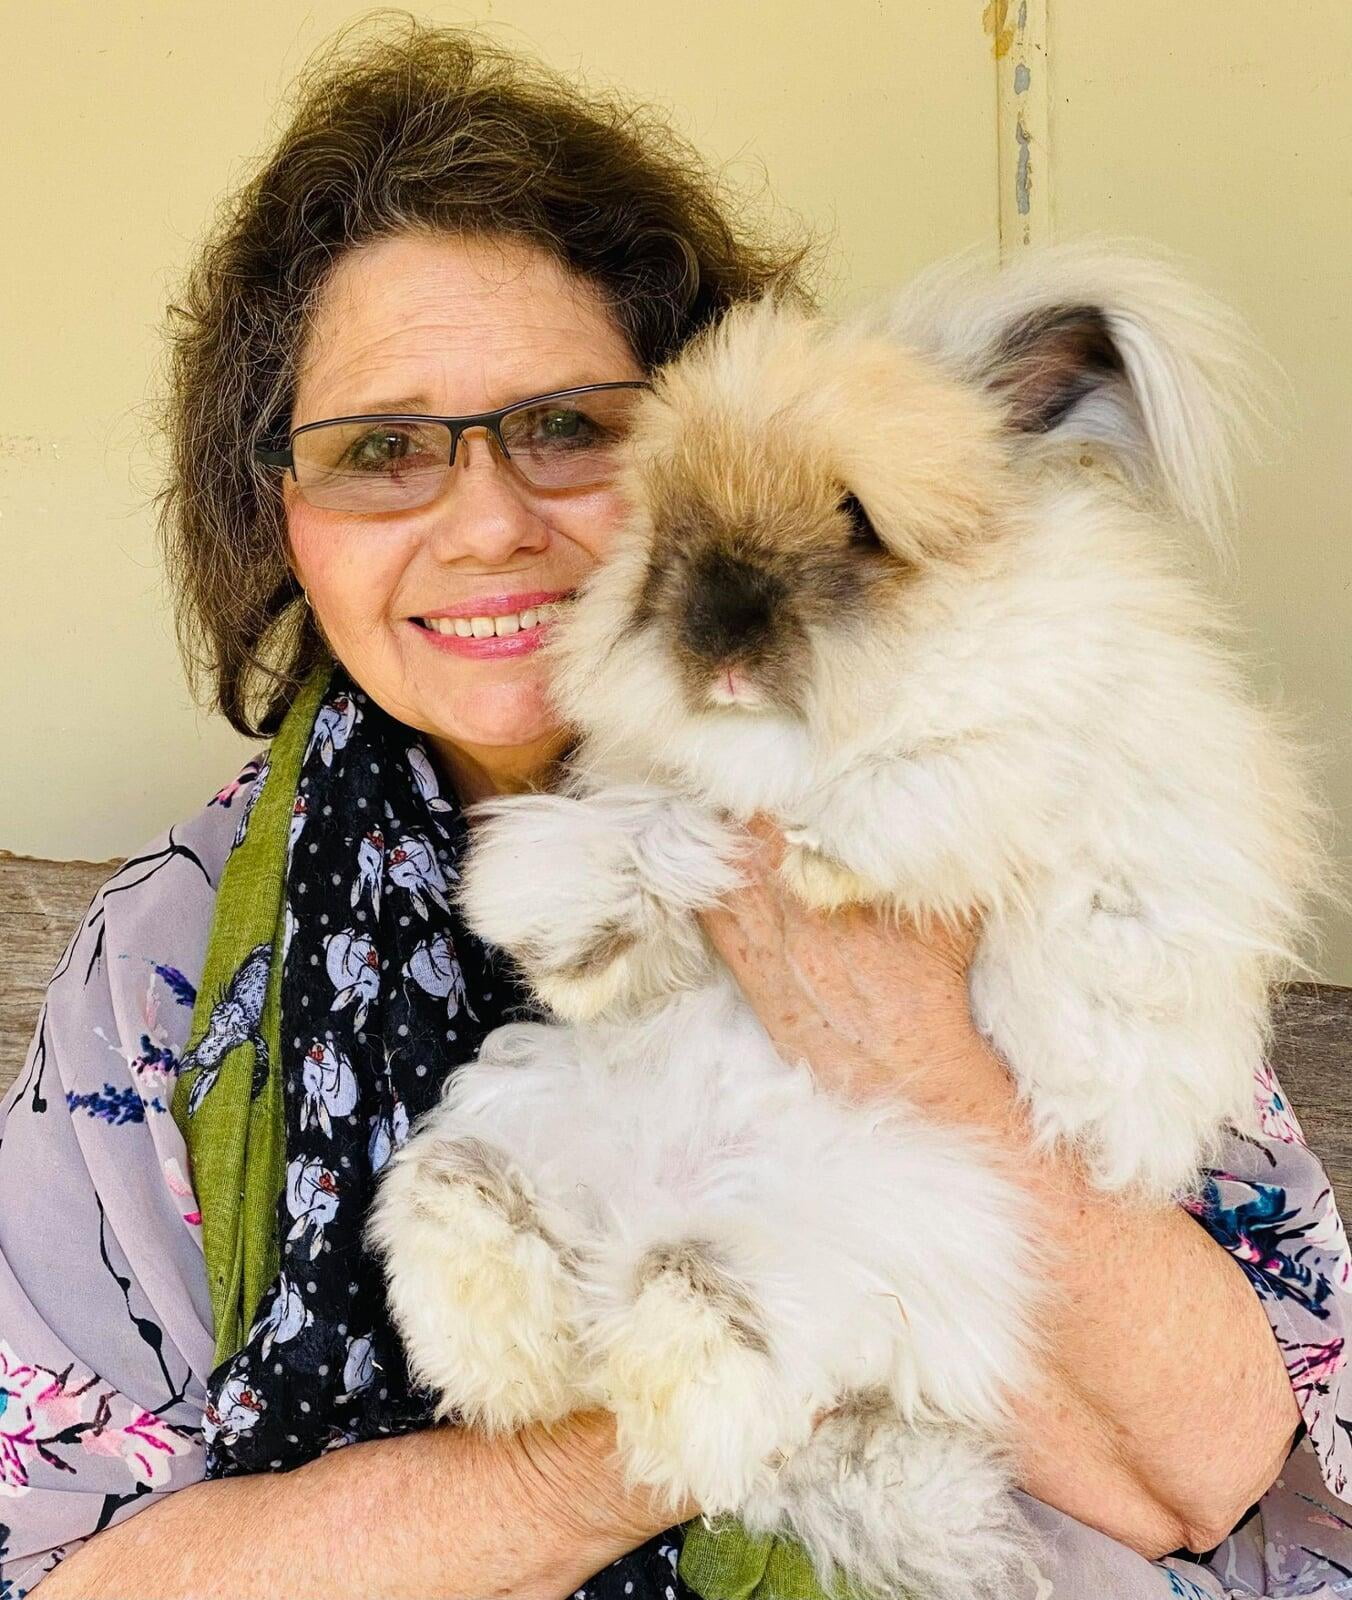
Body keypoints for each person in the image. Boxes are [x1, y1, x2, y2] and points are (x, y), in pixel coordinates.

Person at [1, 20, 1349, 1600]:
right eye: (380, 452)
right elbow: (65, 1569)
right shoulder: (164, 965)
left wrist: (907, 1043)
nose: (489, 522)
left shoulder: (1014, 786)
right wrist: (691, 1395)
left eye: (568, 426)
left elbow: (1213, 1464)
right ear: (279, 518)